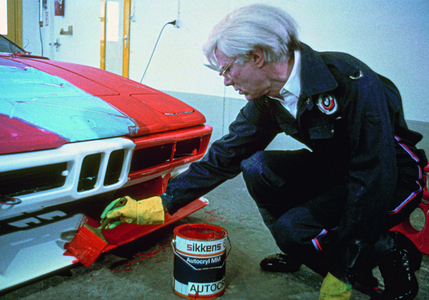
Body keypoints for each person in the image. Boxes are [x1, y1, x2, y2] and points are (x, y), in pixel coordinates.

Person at [102, 4, 427, 299]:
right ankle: (301, 249)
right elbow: (227, 155)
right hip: (339, 170)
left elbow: (372, 176)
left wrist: (344, 268)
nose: (226, 82)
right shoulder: (268, 98)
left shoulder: (351, 81)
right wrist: (162, 203)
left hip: (391, 177)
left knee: (294, 229)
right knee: (257, 166)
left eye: (227, 69)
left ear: (257, 57)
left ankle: (389, 249)